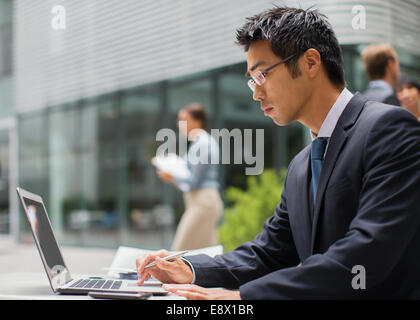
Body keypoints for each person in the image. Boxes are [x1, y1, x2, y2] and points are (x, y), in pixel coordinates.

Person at [137, 7, 420, 299]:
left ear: (311, 62)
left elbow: (365, 254)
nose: (255, 93)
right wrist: (191, 269)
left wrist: (242, 298)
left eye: (262, 75)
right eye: (252, 80)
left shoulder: (389, 129)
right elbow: (269, 251)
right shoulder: (301, 164)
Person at [156, 103, 223, 251]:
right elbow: (189, 180)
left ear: (197, 121)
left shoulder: (204, 144)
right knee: (210, 253)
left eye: (184, 120)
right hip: (198, 201)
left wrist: (173, 175)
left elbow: (193, 181)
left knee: (179, 250)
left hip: (203, 203)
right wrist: (171, 177)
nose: (179, 124)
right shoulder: (197, 144)